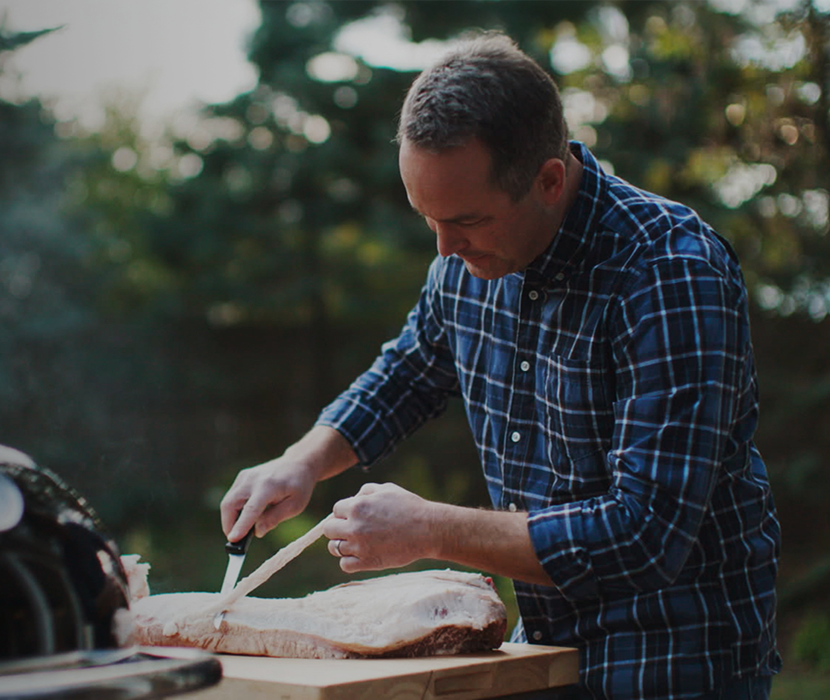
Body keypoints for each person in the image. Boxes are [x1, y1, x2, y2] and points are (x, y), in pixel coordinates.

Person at [218, 32, 780, 700]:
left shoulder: (668, 274)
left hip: (676, 658)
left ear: (548, 180)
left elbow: (646, 535)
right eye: (426, 217)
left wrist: (428, 529)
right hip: (542, 648)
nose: (444, 247)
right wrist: (303, 461)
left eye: (465, 221)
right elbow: (408, 371)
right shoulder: (465, 266)